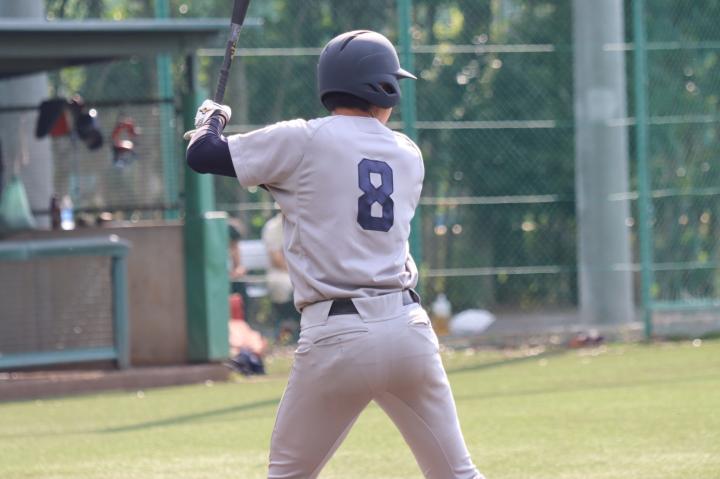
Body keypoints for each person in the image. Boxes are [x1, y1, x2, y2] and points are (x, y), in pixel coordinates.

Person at [186, 30, 483, 479]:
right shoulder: (408, 154)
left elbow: (203, 156)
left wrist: (211, 120)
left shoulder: (303, 139)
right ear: (382, 87)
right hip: (408, 330)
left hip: (337, 335)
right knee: (457, 474)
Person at [261, 211, 300, 343]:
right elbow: (276, 259)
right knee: (288, 285)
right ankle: (291, 325)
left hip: (302, 272)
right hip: (281, 272)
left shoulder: (305, 222)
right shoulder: (273, 226)